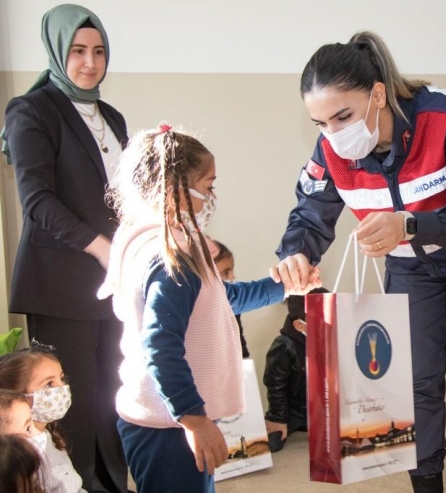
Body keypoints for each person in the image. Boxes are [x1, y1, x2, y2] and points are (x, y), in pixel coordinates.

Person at [270, 31, 446, 493]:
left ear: (377, 95)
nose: (333, 134)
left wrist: (409, 225)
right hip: (412, 268)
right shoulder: (332, 148)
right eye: (320, 123)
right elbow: (311, 213)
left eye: (343, 116)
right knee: (413, 386)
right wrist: (295, 253)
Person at [100, 125, 318, 493]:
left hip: (168, 421)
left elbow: (221, 298)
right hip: (169, 427)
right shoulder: (170, 258)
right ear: (175, 192)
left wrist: (284, 286)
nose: (211, 195)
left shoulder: (164, 241)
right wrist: (195, 420)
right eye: (208, 184)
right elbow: (160, 346)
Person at [0, 5, 129, 491]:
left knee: (114, 394)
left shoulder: (112, 116)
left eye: (98, 52)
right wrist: (99, 247)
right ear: (57, 51)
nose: (90, 63)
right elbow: (37, 201)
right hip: (59, 284)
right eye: (78, 51)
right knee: (69, 404)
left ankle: (115, 482)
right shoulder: (30, 110)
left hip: (115, 280)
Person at [0, 344, 85, 492]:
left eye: (62, 378)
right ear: (19, 394)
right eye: (50, 384)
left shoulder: (46, 433)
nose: (63, 388)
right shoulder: (24, 456)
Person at [263, 288, 328, 452]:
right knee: (271, 444)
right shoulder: (284, 345)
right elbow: (275, 385)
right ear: (300, 325)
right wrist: (279, 418)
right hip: (293, 412)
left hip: (323, 408)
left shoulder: (330, 338)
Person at [211, 239, 250, 358]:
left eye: (232, 270)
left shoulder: (232, 301)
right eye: (225, 273)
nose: (232, 277)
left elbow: (238, 339)